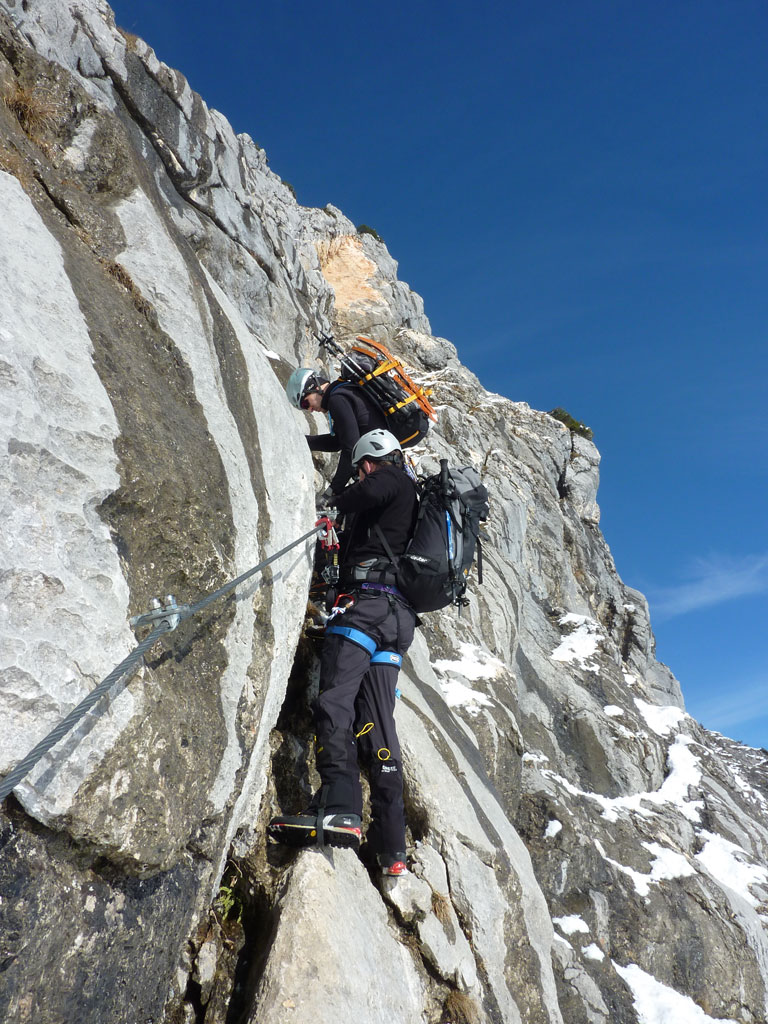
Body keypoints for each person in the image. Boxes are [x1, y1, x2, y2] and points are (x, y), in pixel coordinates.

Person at [268, 429, 418, 876]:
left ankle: (340, 805)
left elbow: (370, 489)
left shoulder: (391, 478)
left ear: (373, 458)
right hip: (396, 622)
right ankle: (392, 848)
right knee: (378, 725)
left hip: (365, 611)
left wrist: (331, 501)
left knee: (334, 701)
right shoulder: (409, 498)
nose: (360, 474)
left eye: (361, 466)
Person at [286, 367, 386, 497]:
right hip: (385, 454)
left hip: (382, 461)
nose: (310, 409)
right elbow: (337, 442)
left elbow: (350, 448)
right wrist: (301, 441)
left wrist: (333, 490)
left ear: (314, 387)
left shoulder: (337, 399)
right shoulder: (342, 392)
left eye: (305, 403)